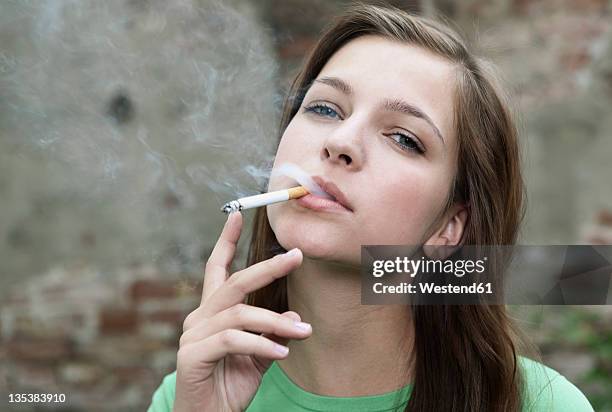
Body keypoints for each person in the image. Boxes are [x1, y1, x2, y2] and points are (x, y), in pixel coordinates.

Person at [147, 4, 594, 411]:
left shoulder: (538, 405)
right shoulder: (186, 394)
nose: (339, 142)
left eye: (403, 138)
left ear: (451, 226)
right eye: (324, 108)